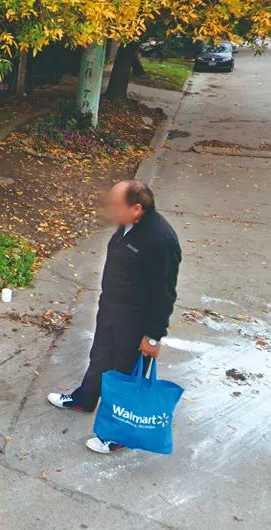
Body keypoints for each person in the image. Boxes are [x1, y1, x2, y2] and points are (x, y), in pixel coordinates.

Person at [47, 179, 181, 454]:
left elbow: (164, 293)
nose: (110, 209)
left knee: (123, 375)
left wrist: (153, 336)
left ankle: (118, 435)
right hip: (112, 309)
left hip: (136, 321)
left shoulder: (160, 240)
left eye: (115, 205)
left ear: (136, 209)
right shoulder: (127, 226)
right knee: (100, 358)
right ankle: (85, 399)